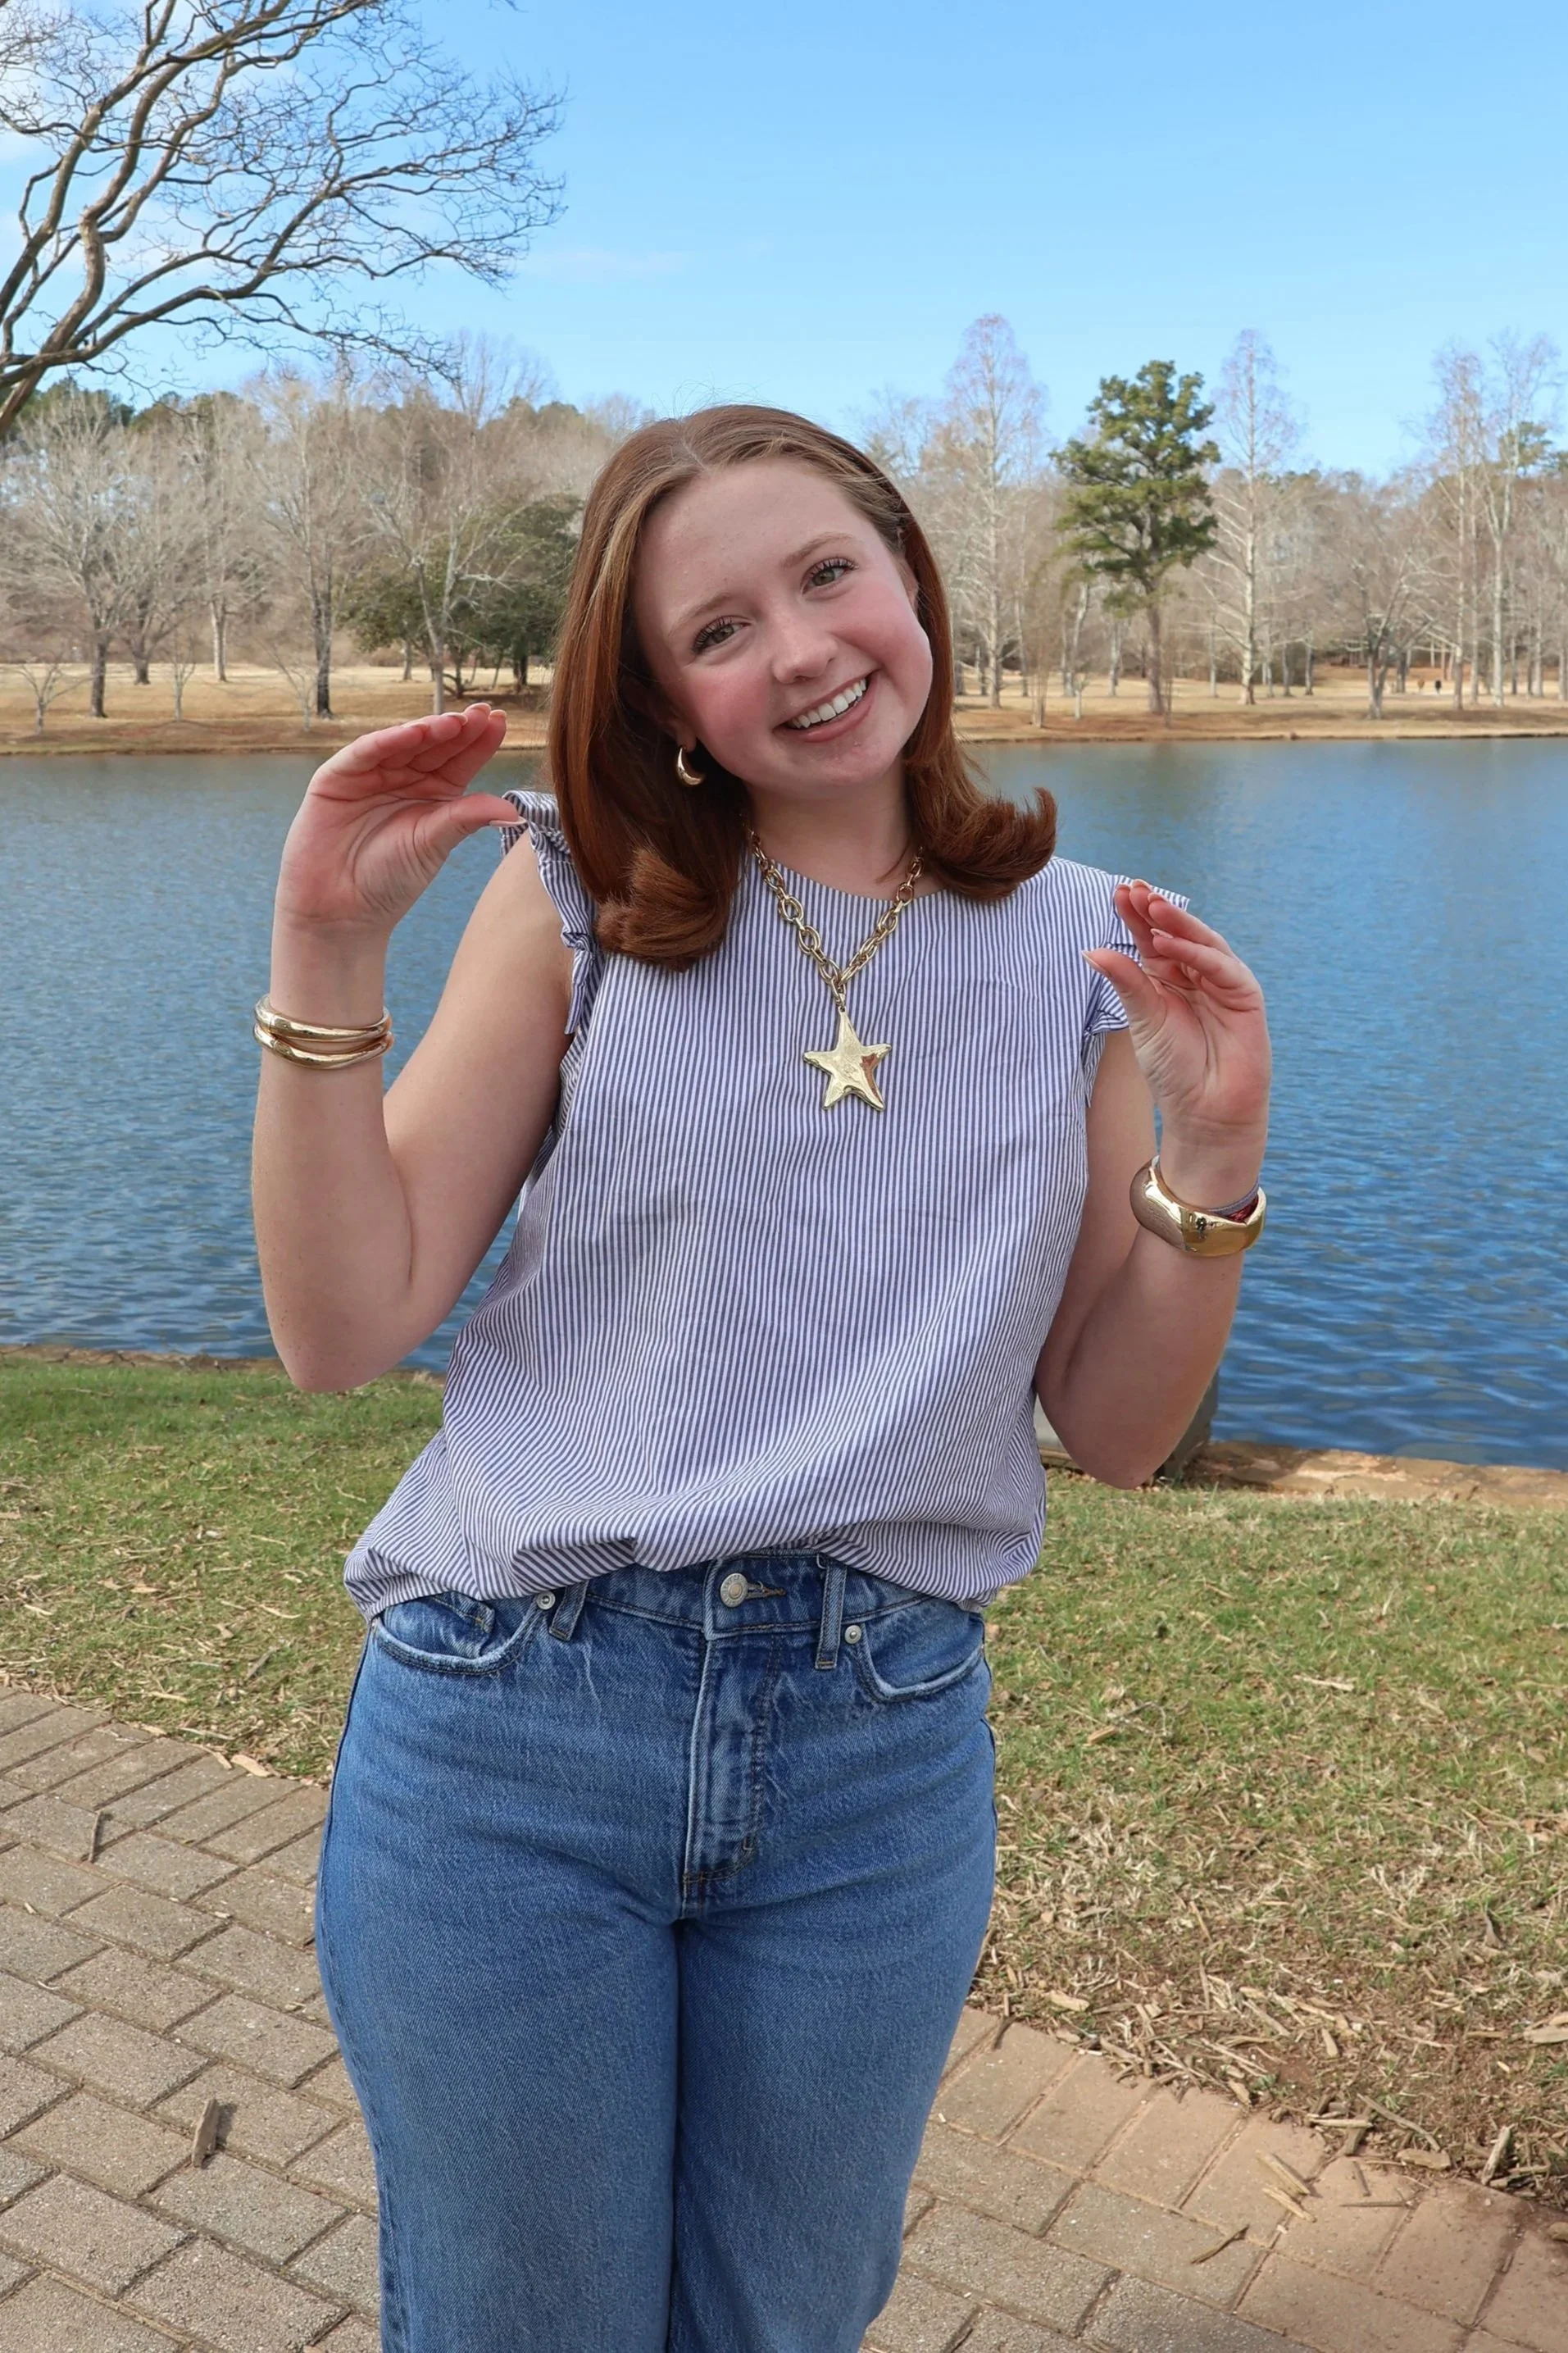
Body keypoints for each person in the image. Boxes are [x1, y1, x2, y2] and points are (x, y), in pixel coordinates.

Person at [252, 405, 1271, 2353]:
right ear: (664, 705)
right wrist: (322, 957)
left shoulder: (1088, 954)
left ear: (911, 584)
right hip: (516, 1723)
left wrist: (1206, 1171)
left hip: (871, 1761)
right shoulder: (570, 899)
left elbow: (1120, 1432)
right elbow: (342, 1324)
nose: (798, 650)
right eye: (715, 631)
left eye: (826, 576)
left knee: (777, 2326)